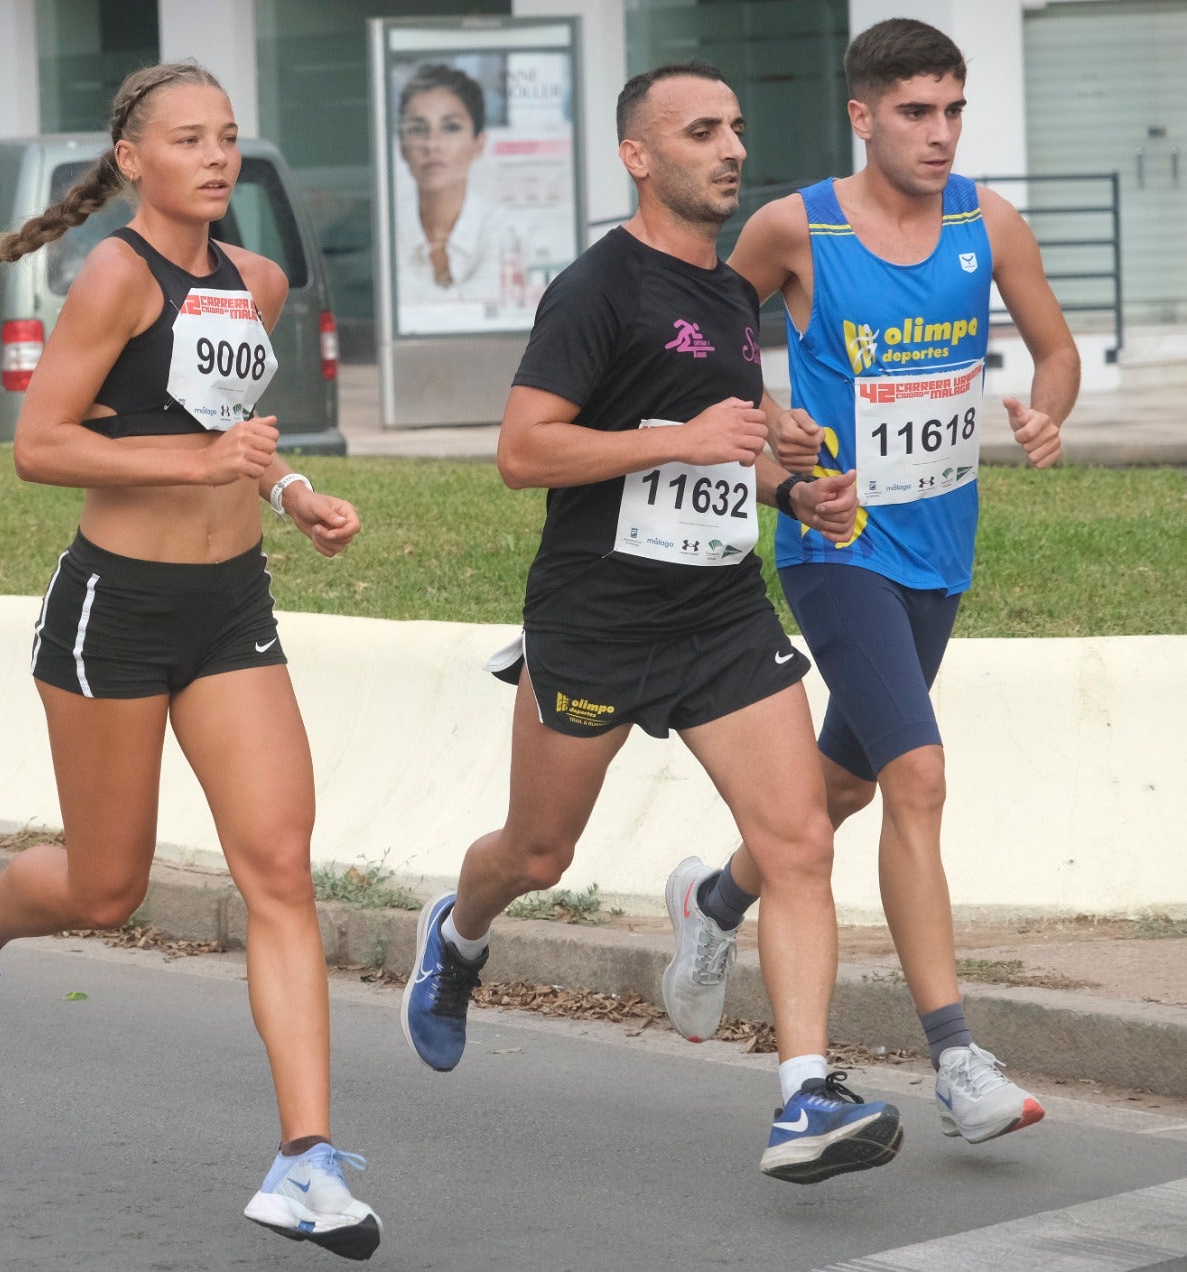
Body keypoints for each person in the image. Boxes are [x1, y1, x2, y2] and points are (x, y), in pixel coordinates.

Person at [0, 61, 381, 1261]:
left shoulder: (256, 283)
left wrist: (295, 489)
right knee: (106, 889)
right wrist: (198, 470)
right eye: (187, 139)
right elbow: (40, 445)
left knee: (279, 866)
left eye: (226, 138)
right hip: (114, 606)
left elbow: (227, 440)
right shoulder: (113, 275)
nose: (215, 158)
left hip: (231, 605)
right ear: (133, 160)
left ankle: (305, 1163)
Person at [400, 61, 905, 1186]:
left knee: (800, 842)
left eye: (735, 130)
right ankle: (458, 936)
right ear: (640, 156)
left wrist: (788, 487)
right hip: (597, 617)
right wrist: (672, 440)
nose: (730, 149)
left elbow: (723, 443)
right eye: (699, 132)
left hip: (721, 610)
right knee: (537, 850)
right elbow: (521, 451)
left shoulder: (730, 292)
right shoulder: (597, 288)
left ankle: (803, 1095)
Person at [664, 18, 1080, 1148]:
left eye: (951, 109)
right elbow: (691, 341)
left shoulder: (984, 222)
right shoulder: (794, 226)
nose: (938, 134)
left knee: (838, 792)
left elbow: (1054, 347)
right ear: (862, 115)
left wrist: (1049, 408)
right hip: (834, 544)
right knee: (919, 776)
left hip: (940, 549)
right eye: (913, 112)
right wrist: (766, 437)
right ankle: (957, 1057)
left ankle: (714, 903)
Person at [393, 63, 520, 316]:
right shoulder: (389, 232)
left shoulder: (507, 230)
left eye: (451, 127)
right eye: (418, 129)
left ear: (478, 143)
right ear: (403, 146)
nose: (432, 144)